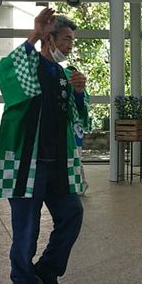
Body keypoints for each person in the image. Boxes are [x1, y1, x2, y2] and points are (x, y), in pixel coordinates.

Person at [0, 8, 89, 284]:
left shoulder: (64, 74)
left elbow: (78, 120)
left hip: (58, 163)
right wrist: (33, 34)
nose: (70, 46)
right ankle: (20, 283)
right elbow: (7, 71)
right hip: (26, 163)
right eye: (66, 39)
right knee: (27, 227)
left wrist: (79, 93)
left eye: (72, 41)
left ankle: (47, 270)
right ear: (49, 39)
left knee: (72, 213)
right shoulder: (28, 65)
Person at [66, 65, 91, 195]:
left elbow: (82, 106)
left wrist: (78, 91)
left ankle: (80, 184)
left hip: (75, 130)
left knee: (76, 158)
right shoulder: (62, 88)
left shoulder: (81, 92)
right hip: (64, 129)